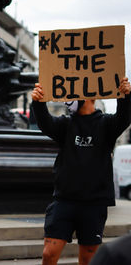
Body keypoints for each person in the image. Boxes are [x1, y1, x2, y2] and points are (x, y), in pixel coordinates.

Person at [31, 78, 131, 265]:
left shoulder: (107, 124)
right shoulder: (65, 125)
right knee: (49, 253)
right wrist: (38, 102)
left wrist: (125, 96)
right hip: (64, 201)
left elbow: (124, 117)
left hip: (94, 204)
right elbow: (45, 122)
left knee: (88, 259)